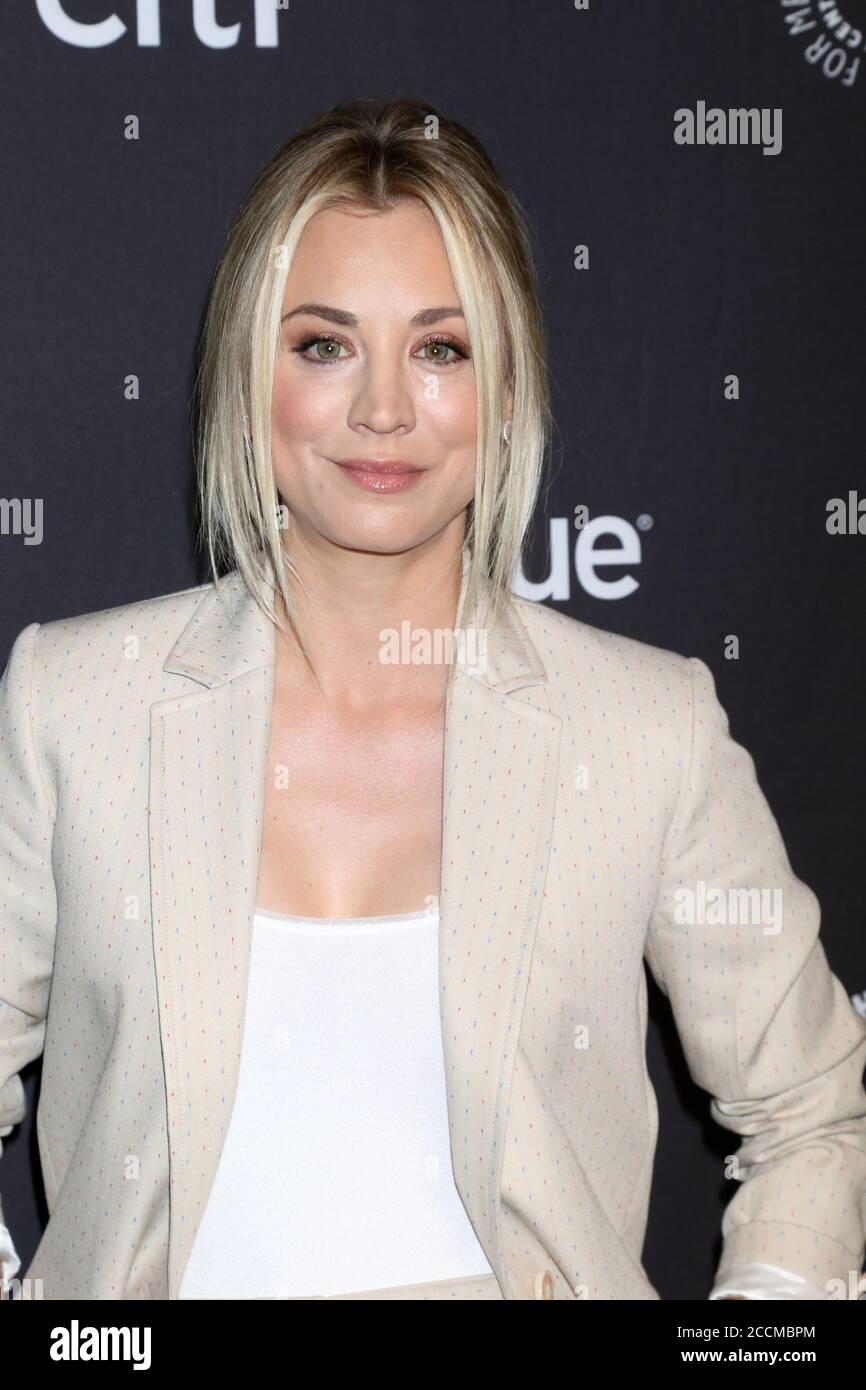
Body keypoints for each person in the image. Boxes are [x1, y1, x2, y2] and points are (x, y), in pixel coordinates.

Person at [1, 97, 865, 1302]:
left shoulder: (641, 729)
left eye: (440, 347)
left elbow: (816, 1107)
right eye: (322, 343)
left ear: (503, 385)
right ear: (248, 375)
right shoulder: (71, 704)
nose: (383, 411)